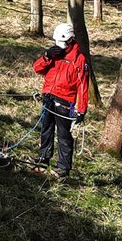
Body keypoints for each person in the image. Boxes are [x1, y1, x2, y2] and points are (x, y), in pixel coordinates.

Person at [32, 22, 89, 178]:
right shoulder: (53, 53)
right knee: (46, 129)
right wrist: (46, 56)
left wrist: (82, 109)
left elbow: (83, 86)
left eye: (64, 43)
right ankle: (43, 158)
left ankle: (63, 168)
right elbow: (37, 69)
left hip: (65, 102)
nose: (61, 46)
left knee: (64, 135)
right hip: (48, 97)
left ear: (71, 40)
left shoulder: (79, 59)